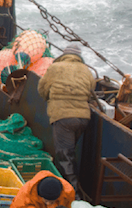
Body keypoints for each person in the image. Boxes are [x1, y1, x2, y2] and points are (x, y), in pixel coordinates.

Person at [37, 43, 96, 196]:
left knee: (65, 156)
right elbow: (91, 91)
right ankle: (69, 188)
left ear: (64, 54)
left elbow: (42, 89)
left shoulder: (55, 67)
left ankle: (73, 194)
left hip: (63, 118)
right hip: (83, 118)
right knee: (69, 154)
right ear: (78, 56)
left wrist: (50, 100)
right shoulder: (86, 70)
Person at [5, 170, 75, 208]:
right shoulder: (27, 191)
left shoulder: (68, 192)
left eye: (52, 202)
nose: (48, 204)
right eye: (46, 201)